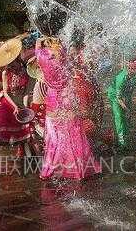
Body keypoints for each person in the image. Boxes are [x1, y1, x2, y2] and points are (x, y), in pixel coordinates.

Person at [36, 37, 100, 179]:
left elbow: (38, 47)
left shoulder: (42, 58)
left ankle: (50, 169)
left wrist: (42, 41)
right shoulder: (62, 56)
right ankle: (77, 170)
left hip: (52, 98)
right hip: (67, 97)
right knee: (73, 133)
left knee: (54, 137)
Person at [106, 58, 136, 150]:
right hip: (115, 96)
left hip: (127, 95)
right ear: (130, 68)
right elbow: (119, 98)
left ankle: (125, 138)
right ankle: (121, 145)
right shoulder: (121, 78)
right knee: (119, 117)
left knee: (127, 118)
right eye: (134, 69)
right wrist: (126, 108)